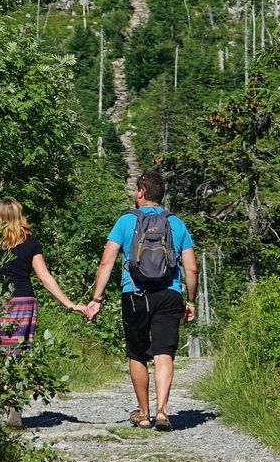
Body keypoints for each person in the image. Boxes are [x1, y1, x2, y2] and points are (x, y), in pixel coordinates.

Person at [83, 170, 196, 431]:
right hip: (169, 293)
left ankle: (143, 414)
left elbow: (106, 261)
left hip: (134, 293)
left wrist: (96, 298)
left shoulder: (125, 222)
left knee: (137, 353)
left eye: (136, 190)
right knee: (164, 352)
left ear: (142, 192)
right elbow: (191, 269)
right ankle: (162, 411)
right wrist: (189, 301)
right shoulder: (176, 224)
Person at [0, 197, 83, 362]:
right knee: (18, 352)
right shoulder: (31, 242)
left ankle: (0, 386)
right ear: (20, 216)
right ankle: (13, 386)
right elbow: (44, 277)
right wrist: (69, 304)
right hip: (23, 303)